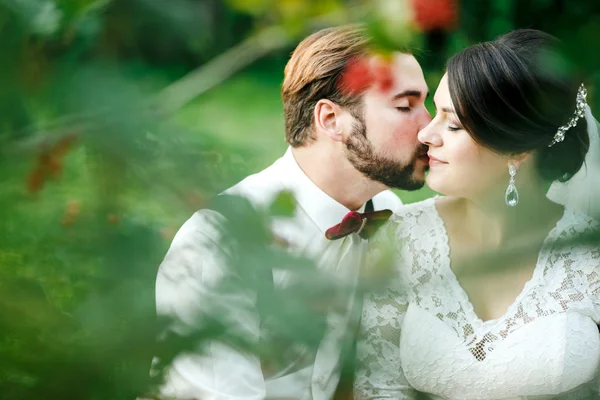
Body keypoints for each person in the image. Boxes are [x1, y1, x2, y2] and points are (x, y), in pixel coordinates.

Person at [153, 25, 431, 400]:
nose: (430, 128)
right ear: (331, 120)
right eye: (405, 106)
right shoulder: (221, 241)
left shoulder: (387, 214)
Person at [355, 29, 600, 399]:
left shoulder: (590, 259)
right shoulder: (401, 238)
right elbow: (377, 384)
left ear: (517, 149)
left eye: (453, 124)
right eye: (435, 114)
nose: (426, 135)